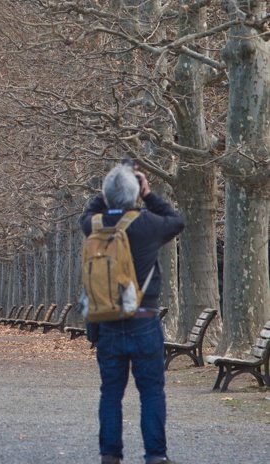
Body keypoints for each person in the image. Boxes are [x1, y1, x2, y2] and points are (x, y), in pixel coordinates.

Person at [80, 163, 185, 464]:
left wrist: (106, 193)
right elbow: (176, 220)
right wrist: (148, 193)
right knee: (151, 391)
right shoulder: (148, 224)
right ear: (136, 192)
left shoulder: (95, 225)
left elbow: (86, 213)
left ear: (106, 195)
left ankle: (110, 455)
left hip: (107, 323)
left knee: (110, 393)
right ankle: (155, 456)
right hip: (143, 320)